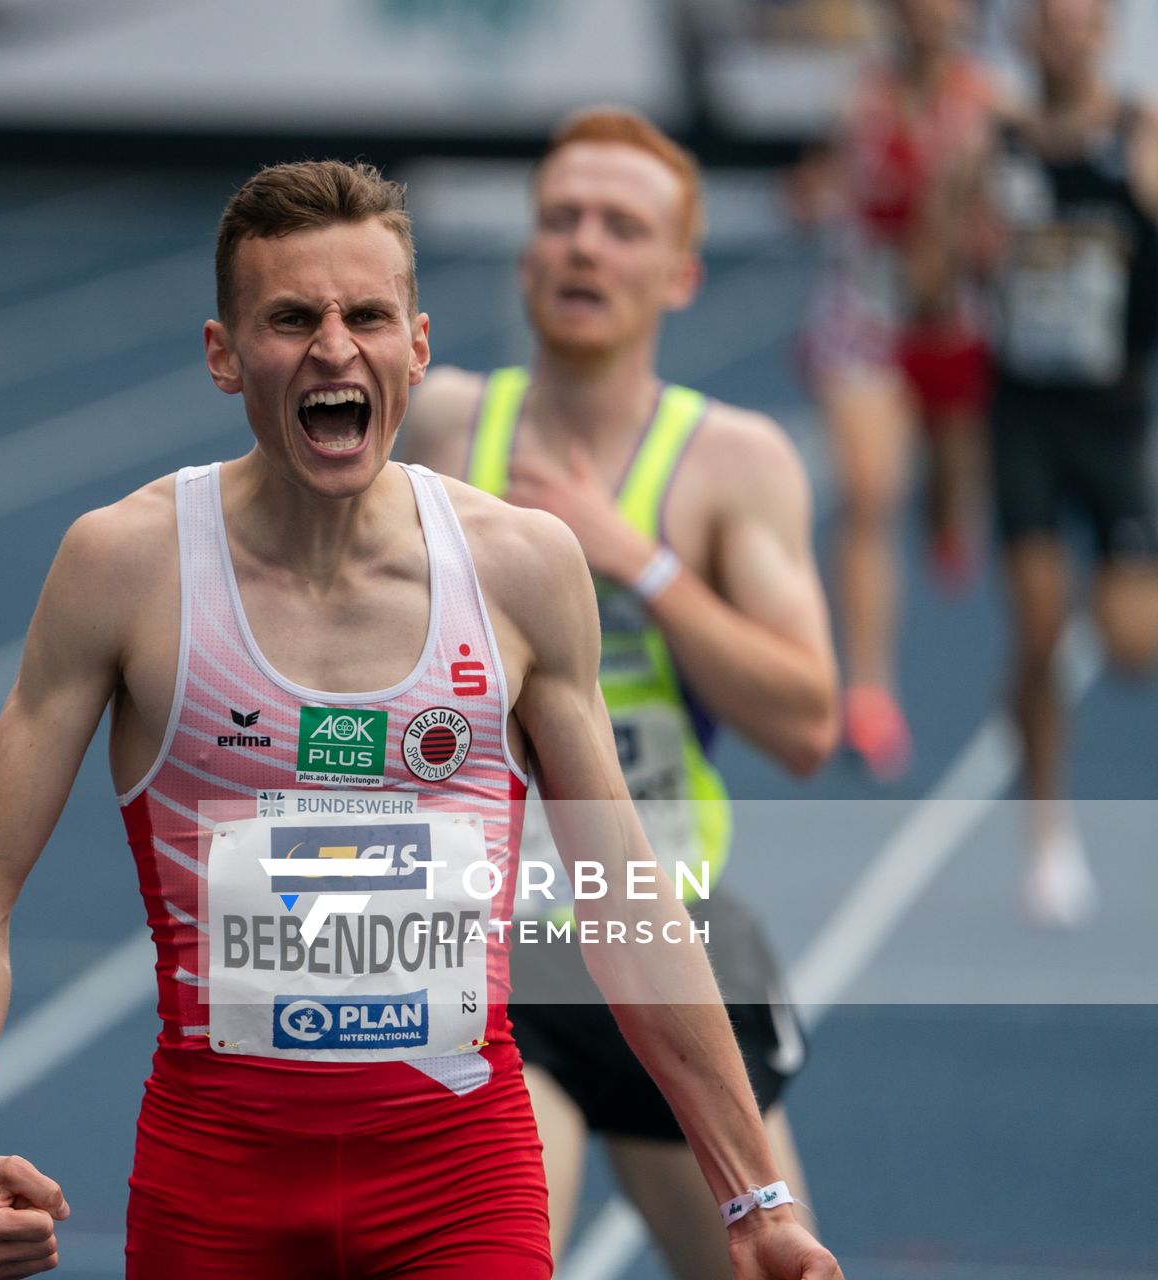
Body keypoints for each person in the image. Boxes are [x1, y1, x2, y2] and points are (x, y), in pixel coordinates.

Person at [0, 159, 842, 1280]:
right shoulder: (126, 566)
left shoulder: (519, 567)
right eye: (292, 317)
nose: (333, 348)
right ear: (223, 353)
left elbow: (621, 900)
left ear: (417, 344)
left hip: (460, 1177)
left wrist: (755, 1192)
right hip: (216, 1187)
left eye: (366, 315)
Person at [401, 110, 841, 1276]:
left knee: (767, 1261)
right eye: (561, 219)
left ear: (679, 273)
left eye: (621, 226)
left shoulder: (729, 462)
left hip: (664, 941)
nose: (585, 246)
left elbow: (807, 722)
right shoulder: (443, 427)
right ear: (528, 252)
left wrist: (632, 557)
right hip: (489, 954)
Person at [987, 0, 1158, 925]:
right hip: (1023, 416)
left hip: (1117, 416)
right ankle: (1047, 832)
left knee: (1132, 648)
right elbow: (938, 281)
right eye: (1051, 21)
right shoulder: (997, 143)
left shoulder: (1142, 134)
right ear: (1026, 35)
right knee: (1040, 627)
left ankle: (1090, 610)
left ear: (1108, 36)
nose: (1067, 37)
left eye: (1085, 22)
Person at [796, 0, 998, 780]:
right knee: (872, 492)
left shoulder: (989, 104)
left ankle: (951, 512)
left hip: (955, 324)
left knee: (948, 508)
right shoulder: (858, 100)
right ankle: (870, 692)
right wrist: (818, 193)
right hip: (865, 322)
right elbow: (823, 182)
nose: (928, 16)